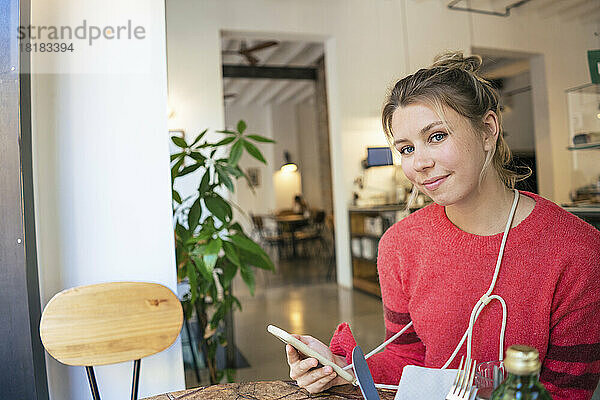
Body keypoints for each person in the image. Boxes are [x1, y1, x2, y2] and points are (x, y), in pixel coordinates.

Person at [284, 52, 600, 399]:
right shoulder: (400, 245)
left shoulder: (579, 251)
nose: (419, 162)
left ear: (488, 130)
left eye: (436, 136)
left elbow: (567, 391)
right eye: (406, 148)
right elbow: (407, 359)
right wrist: (340, 368)